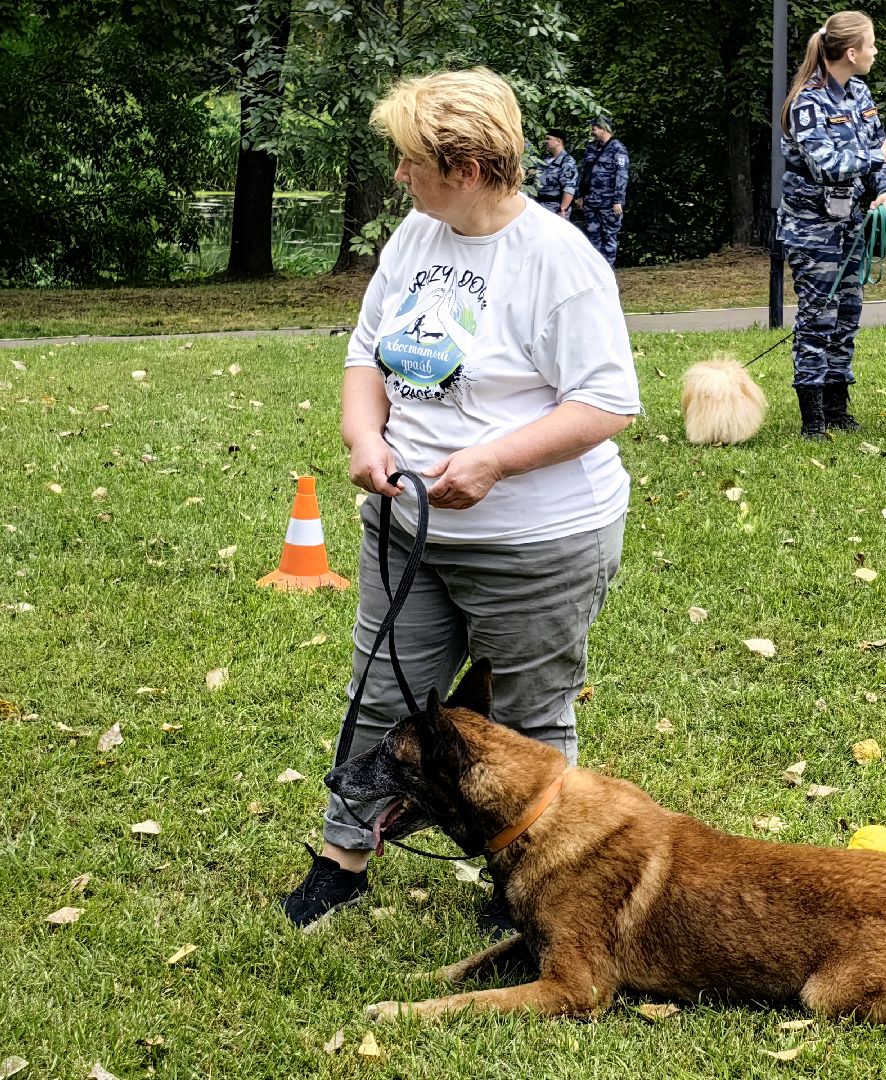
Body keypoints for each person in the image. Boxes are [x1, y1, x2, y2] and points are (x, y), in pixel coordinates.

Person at [281, 67, 641, 931]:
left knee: (522, 718)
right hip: (406, 529)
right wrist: (367, 442)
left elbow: (607, 403)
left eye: (410, 161)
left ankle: (529, 883)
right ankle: (343, 859)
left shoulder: (560, 262)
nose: (399, 176)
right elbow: (367, 353)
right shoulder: (416, 234)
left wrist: (493, 463)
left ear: (469, 165)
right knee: (379, 694)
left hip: (538, 541)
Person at [778, 10, 886, 439]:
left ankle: (837, 407)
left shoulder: (859, 93)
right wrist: (879, 159)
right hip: (812, 230)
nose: (875, 51)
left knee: (847, 316)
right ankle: (812, 418)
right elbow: (825, 165)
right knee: (818, 319)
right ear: (851, 52)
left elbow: (876, 149)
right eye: (870, 44)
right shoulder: (808, 102)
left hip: (851, 227)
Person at [576, 116, 629, 267]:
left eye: (594, 128)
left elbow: (622, 175)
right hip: (591, 201)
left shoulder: (618, 148)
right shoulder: (591, 148)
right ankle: (595, 270)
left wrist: (617, 200)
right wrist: (581, 195)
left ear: (603, 128)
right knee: (593, 236)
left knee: (609, 236)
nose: (592, 132)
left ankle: (608, 271)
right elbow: (584, 172)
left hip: (609, 202)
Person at [534, 127, 577, 218]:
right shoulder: (544, 160)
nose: (545, 141)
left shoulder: (567, 161)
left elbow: (569, 188)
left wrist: (563, 209)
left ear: (558, 141)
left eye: (548, 139)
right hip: (539, 206)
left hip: (555, 208)